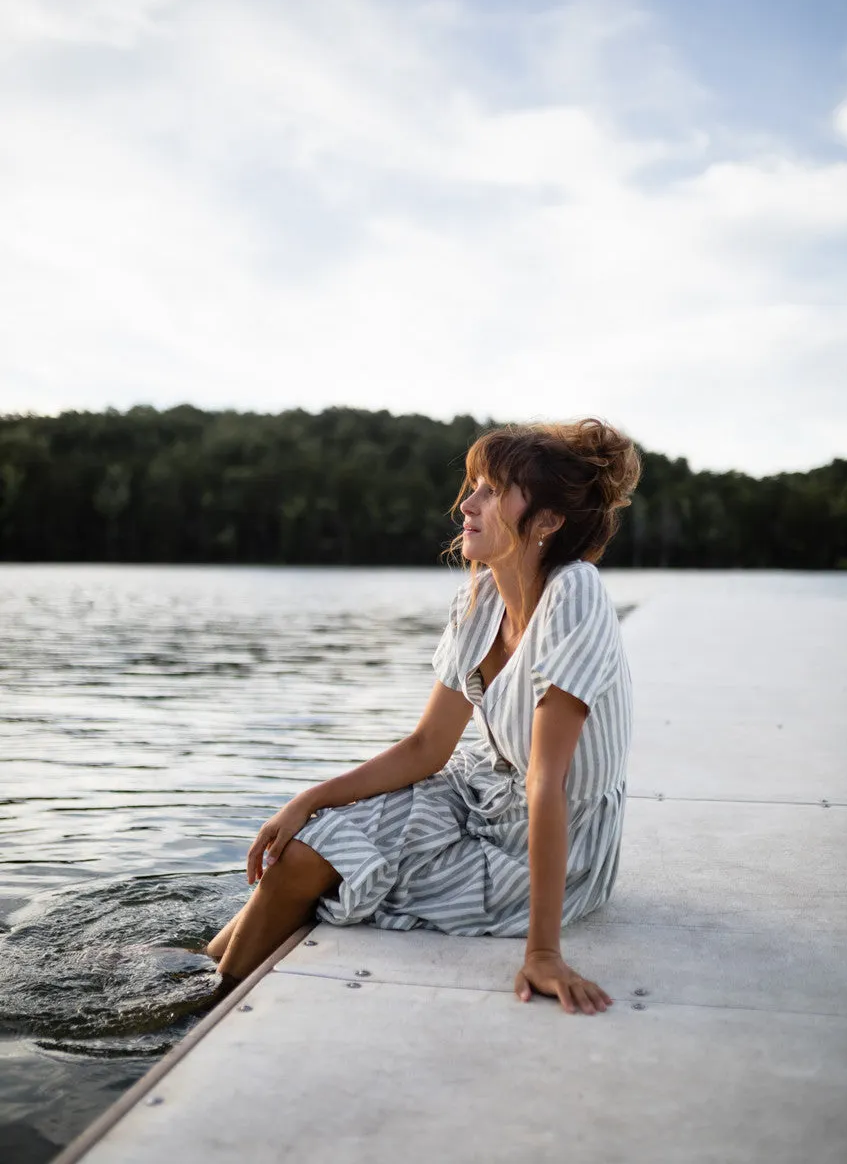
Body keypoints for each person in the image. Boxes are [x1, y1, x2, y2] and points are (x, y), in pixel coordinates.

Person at [206, 418, 641, 1015]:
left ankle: (206, 1007)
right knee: (300, 850)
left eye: (492, 490)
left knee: (317, 870)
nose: (468, 503)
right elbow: (427, 747)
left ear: (548, 520)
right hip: (477, 793)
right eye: (473, 486)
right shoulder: (478, 598)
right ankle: (204, 969)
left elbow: (547, 780)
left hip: (548, 846)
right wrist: (310, 798)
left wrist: (542, 951)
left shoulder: (575, 593)